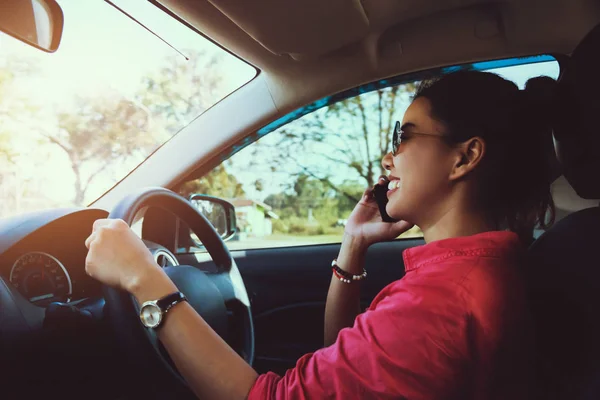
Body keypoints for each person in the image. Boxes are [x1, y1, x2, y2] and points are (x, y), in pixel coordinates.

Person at [85, 70, 557, 399]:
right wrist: (354, 245)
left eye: (405, 137)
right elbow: (343, 356)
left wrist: (146, 280)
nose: (389, 159)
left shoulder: (442, 302)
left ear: (464, 157)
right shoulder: (472, 272)